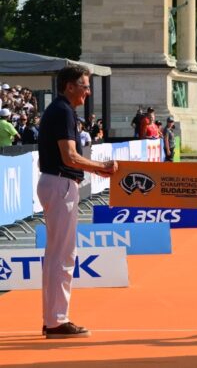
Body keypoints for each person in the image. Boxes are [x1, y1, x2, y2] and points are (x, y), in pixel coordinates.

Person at [38, 65, 118, 339]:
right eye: (84, 86)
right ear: (69, 86)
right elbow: (70, 157)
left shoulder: (60, 110)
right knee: (62, 256)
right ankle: (57, 320)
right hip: (60, 182)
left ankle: (52, 318)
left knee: (55, 256)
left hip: (54, 182)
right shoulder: (63, 111)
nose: (88, 91)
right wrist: (101, 167)